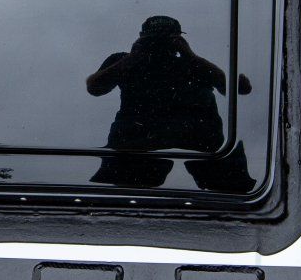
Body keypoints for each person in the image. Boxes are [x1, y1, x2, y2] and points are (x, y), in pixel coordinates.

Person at [85, 15, 255, 193]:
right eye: (153, 41)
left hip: (193, 139)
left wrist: (190, 56)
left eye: (167, 41)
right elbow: (95, 88)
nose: (159, 46)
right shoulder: (125, 61)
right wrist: (131, 59)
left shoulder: (192, 65)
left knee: (229, 188)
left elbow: (233, 88)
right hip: (142, 142)